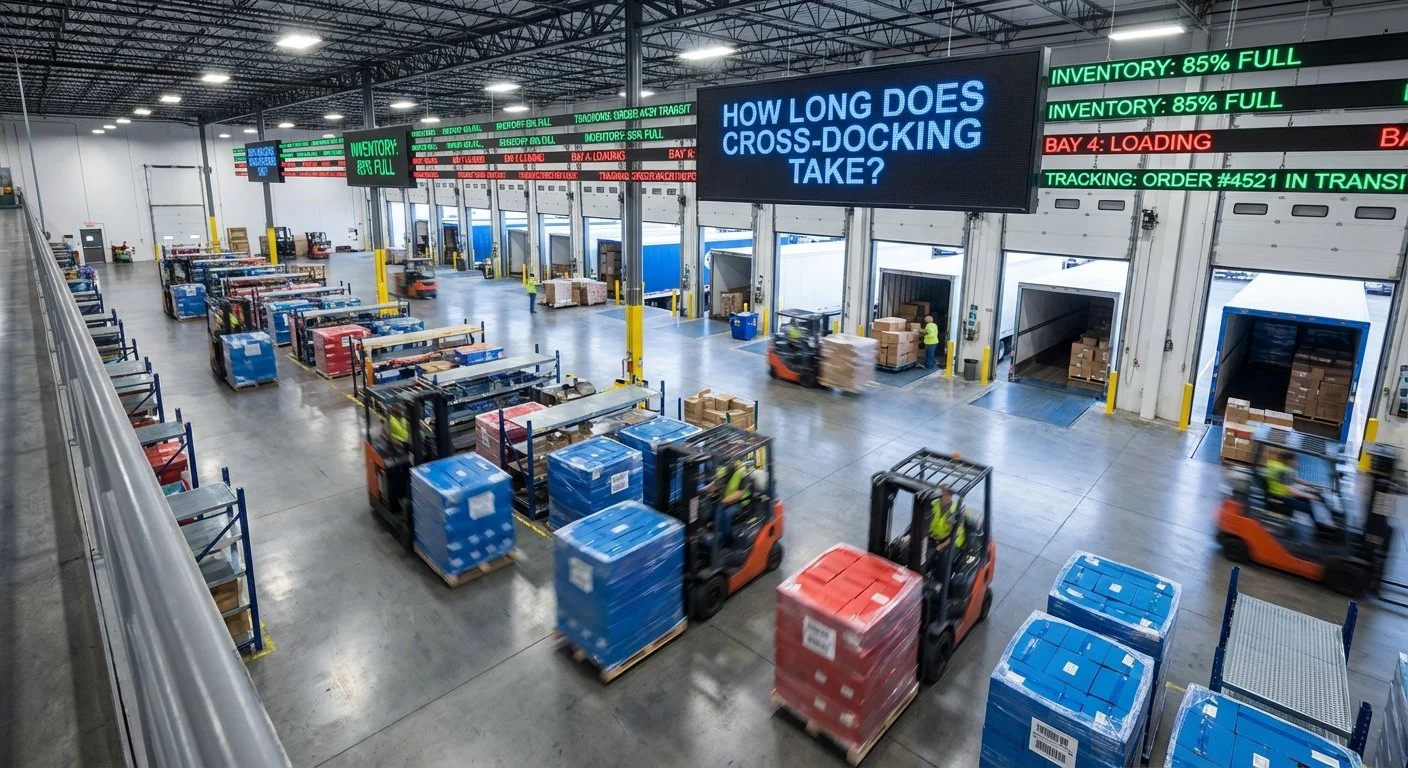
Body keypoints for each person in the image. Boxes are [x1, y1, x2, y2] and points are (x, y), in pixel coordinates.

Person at [1262, 449, 1314, 516]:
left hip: (1273, 495)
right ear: (1289, 461)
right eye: (1295, 460)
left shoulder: (1275, 465)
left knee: (1304, 498)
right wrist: (1310, 496)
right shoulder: (1284, 470)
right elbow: (1290, 491)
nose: (1296, 462)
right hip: (1281, 498)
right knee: (1309, 508)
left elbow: (1294, 478)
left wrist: (1310, 485)